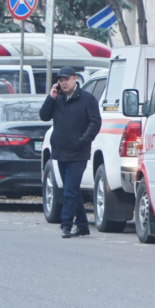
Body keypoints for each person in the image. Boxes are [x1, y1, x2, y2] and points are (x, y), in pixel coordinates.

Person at [39, 66, 102, 238]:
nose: (64, 83)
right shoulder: (57, 99)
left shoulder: (87, 99)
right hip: (60, 150)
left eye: (67, 79)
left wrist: (83, 140)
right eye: (61, 80)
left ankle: (65, 225)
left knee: (70, 190)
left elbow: (95, 122)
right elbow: (44, 116)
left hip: (79, 152)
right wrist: (51, 98)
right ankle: (82, 225)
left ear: (75, 79)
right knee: (70, 189)